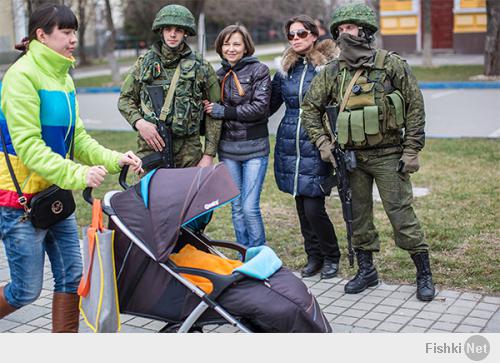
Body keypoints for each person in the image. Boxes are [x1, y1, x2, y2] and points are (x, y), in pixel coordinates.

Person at [0, 4, 142, 332]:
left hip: (54, 195)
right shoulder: (21, 77)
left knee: (72, 279)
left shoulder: (63, 78)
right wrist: (77, 174)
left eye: (75, 31)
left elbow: (77, 139)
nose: (73, 39)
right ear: (42, 35)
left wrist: (112, 158)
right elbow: (29, 147)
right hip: (19, 202)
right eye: (66, 32)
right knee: (25, 290)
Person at [301, 2, 435, 301]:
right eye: (339, 30)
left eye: (349, 28)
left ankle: (423, 272)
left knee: (401, 216)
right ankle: (367, 270)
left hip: (389, 155)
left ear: (364, 30)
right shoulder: (333, 72)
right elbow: (310, 109)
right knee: (357, 217)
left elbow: (415, 106)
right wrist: (324, 145)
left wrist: (412, 150)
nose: (344, 34)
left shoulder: (391, 64)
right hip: (351, 159)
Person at [270, 15, 341, 279]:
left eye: (302, 33)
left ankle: (332, 256)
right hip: (290, 142)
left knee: (314, 207)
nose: (296, 39)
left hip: (317, 142)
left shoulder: (328, 67)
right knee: (301, 206)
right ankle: (314, 257)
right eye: (291, 35)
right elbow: (269, 104)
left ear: (314, 34)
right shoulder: (285, 69)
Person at [118, 4, 221, 169]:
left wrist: (209, 154)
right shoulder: (144, 64)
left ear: (186, 32)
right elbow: (125, 99)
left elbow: (215, 111)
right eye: (168, 29)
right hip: (152, 146)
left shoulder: (201, 66)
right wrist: (139, 122)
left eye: (178, 30)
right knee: (150, 193)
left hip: (189, 150)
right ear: (161, 31)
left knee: (189, 194)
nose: (172, 34)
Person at [203, 25, 271, 248]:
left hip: (254, 148)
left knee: (250, 207)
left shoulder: (259, 70)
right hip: (228, 150)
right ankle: (244, 254)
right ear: (220, 47)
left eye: (236, 44)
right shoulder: (217, 76)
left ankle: (258, 255)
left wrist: (225, 111)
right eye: (226, 44)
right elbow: (211, 112)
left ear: (245, 47)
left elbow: (260, 108)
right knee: (237, 207)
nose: (231, 49)